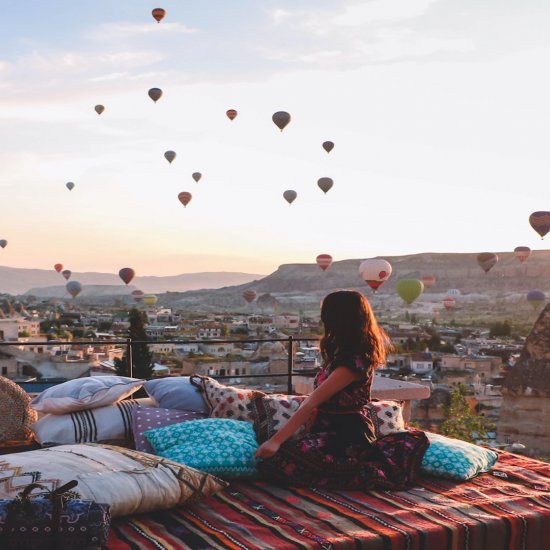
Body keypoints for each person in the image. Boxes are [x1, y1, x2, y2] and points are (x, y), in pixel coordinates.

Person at [255, 290, 429, 490]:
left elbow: (312, 402)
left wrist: (275, 442)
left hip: (346, 437)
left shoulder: (351, 363)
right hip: (329, 430)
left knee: (278, 462)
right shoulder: (344, 355)